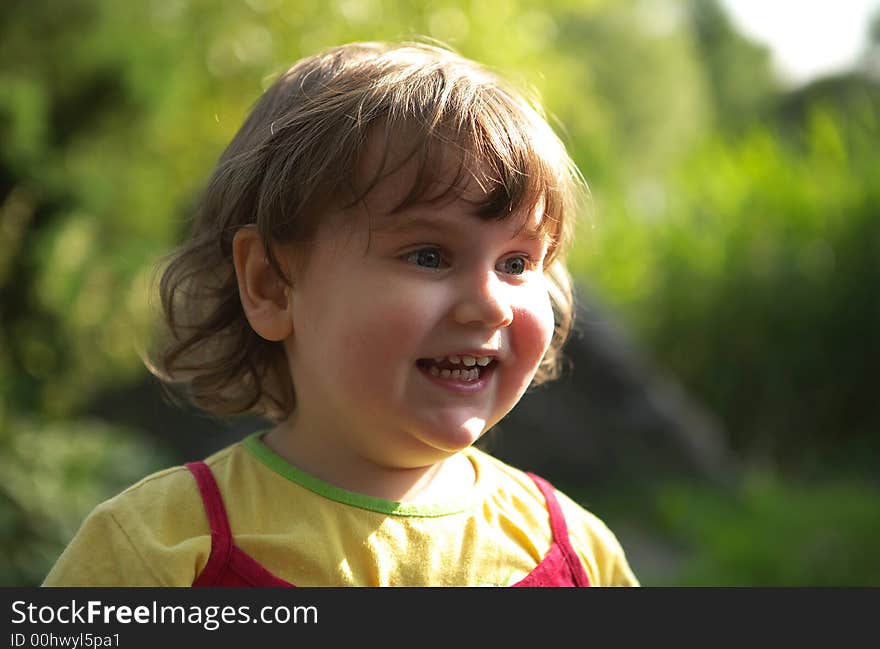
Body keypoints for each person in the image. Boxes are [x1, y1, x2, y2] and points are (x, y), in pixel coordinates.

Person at [44, 41, 638, 587]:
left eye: (516, 263)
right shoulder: (162, 548)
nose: (490, 304)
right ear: (271, 284)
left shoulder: (577, 552)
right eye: (429, 255)